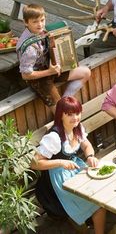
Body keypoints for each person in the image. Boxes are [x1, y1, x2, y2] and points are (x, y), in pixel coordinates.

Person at [31, 96, 106, 233]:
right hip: (57, 179)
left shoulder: (78, 128)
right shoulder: (54, 137)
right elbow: (35, 163)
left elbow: (87, 145)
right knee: (98, 206)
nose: (75, 118)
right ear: (61, 115)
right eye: (70, 114)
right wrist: (60, 162)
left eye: (77, 113)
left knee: (101, 189)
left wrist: (90, 156)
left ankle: (89, 221)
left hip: (73, 168)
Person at [16, 4, 91, 113]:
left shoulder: (41, 32)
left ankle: (65, 100)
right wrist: (49, 71)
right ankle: (61, 108)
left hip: (50, 69)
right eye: (35, 22)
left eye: (42, 20)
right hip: (38, 79)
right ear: (26, 22)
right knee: (61, 113)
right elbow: (26, 75)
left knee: (85, 72)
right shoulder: (29, 49)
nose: (40, 24)